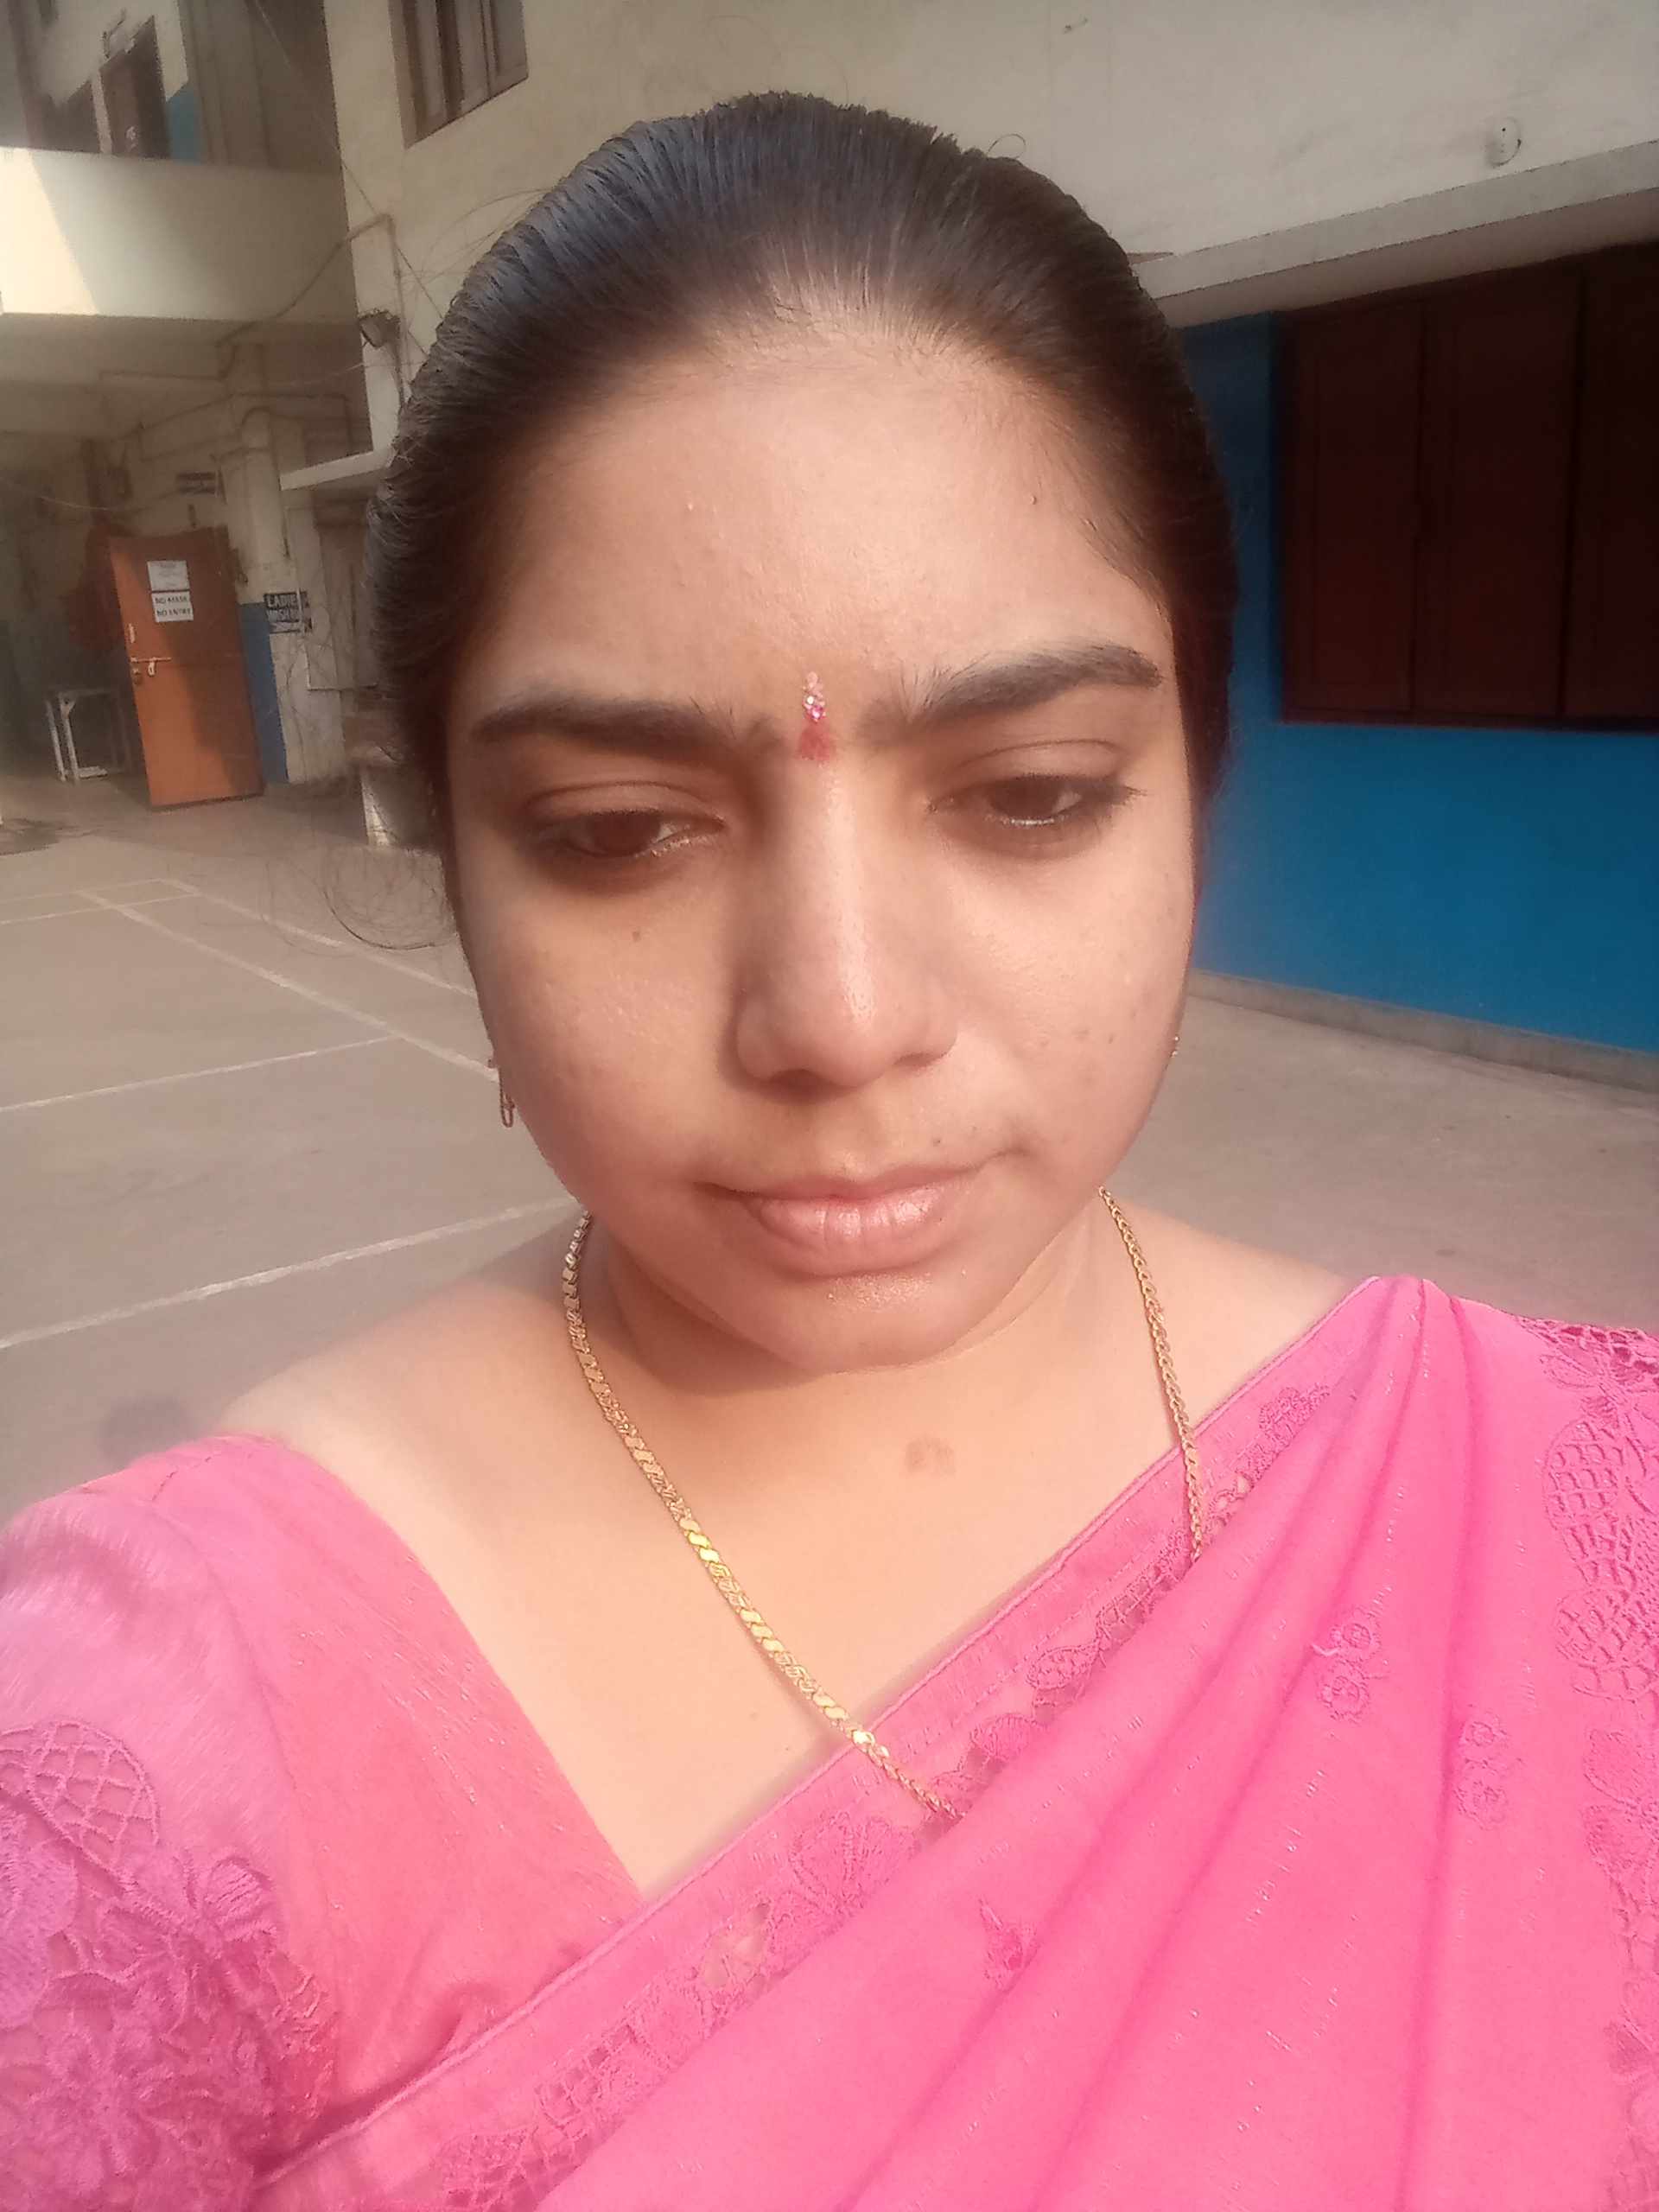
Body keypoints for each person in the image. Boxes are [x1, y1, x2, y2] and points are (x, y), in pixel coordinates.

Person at [1, 92, 1654, 2212]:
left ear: (1196, 784)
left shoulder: (1578, 1511)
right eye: (619, 831)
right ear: (454, 859)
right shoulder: (141, 1768)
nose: (844, 1013)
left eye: (1031, 792)